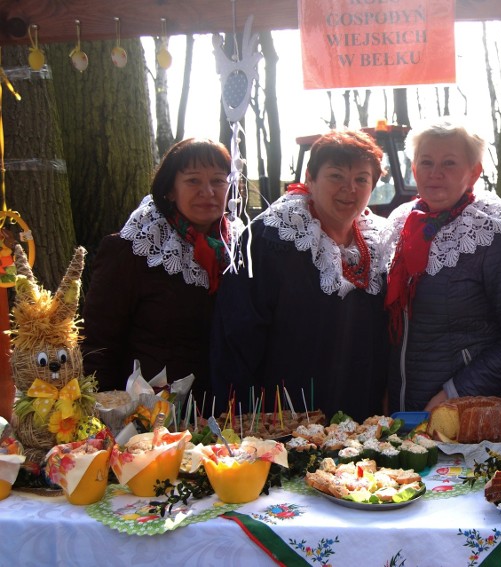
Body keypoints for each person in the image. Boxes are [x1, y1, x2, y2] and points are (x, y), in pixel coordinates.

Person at [210, 130, 389, 422]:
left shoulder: (380, 241)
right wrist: (241, 418)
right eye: (336, 176)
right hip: (285, 420)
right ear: (310, 178)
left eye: (361, 179)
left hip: (361, 417)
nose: (349, 189)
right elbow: (237, 338)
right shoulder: (269, 239)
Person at [384, 119, 501, 413]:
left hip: (472, 413)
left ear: (474, 172)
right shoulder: (400, 223)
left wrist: (455, 393)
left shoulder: (498, 230)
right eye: (426, 162)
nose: (435, 174)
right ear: (413, 169)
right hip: (405, 412)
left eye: (449, 163)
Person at [82, 138, 242, 400]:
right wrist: (106, 413)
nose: (208, 192)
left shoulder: (241, 249)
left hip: (223, 413)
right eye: (193, 181)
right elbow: (98, 343)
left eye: (217, 181)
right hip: (145, 420)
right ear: (170, 190)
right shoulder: (136, 249)